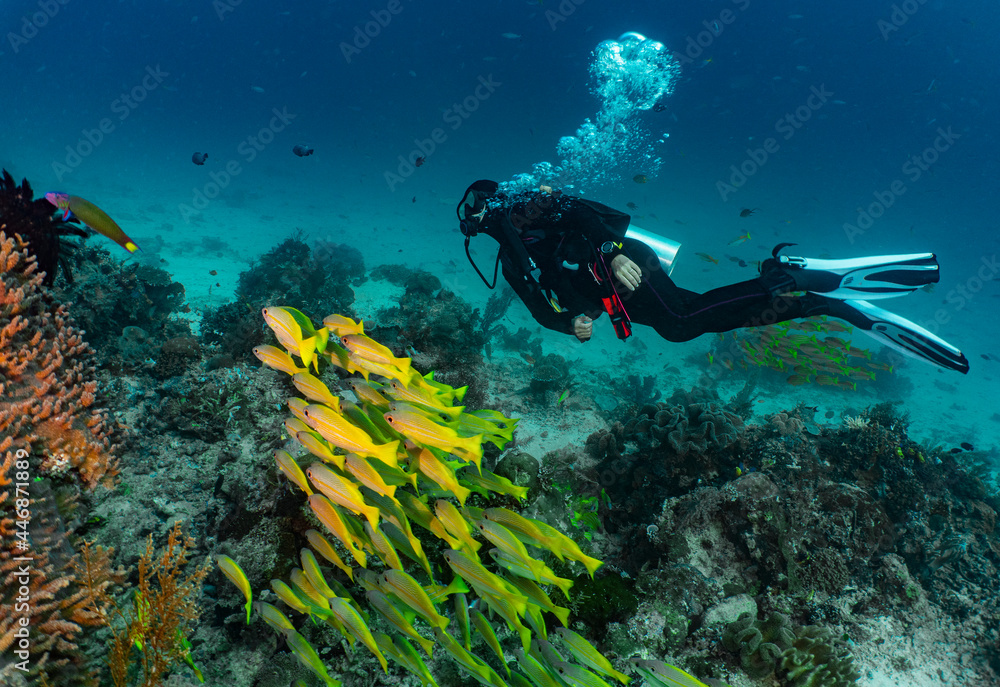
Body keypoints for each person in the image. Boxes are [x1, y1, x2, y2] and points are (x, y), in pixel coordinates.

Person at [456, 179, 969, 374]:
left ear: (494, 203)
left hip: (626, 264)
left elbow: (590, 219)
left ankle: (792, 278)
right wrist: (569, 324)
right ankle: (820, 300)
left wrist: (612, 253)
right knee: (683, 326)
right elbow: (540, 308)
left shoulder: (536, 205)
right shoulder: (513, 257)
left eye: (481, 212)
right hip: (608, 295)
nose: (483, 222)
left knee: (684, 313)